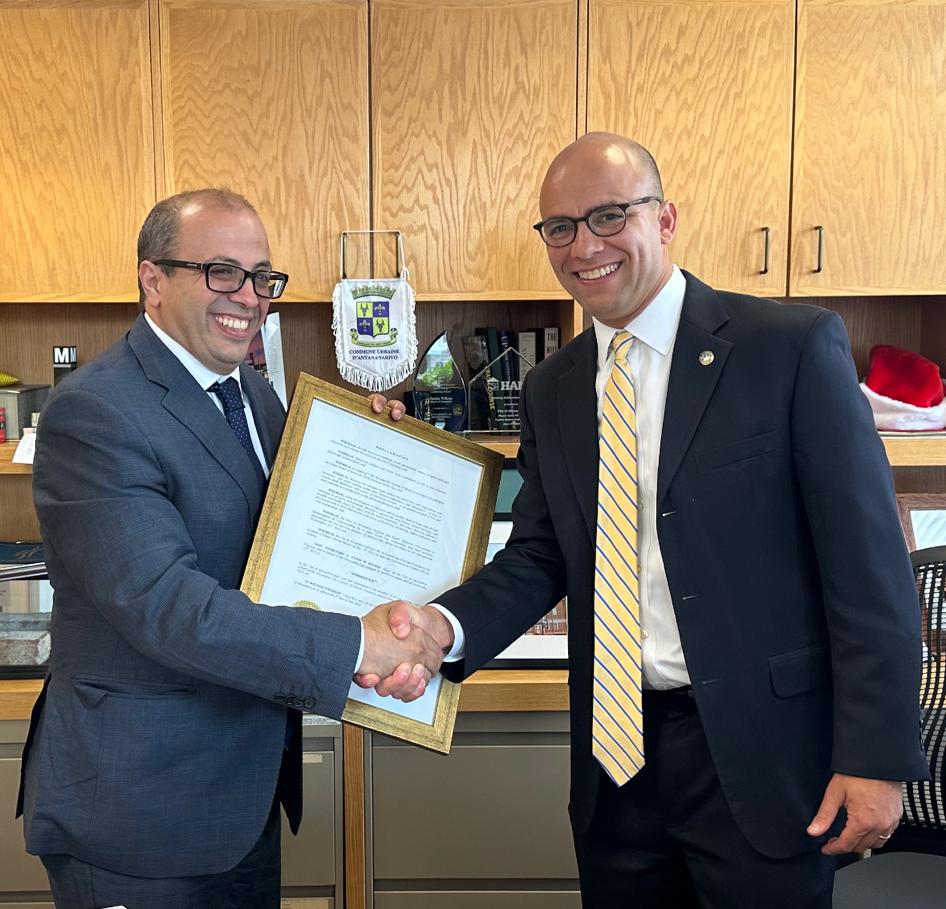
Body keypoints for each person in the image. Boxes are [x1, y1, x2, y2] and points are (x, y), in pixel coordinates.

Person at [360, 133, 930, 907]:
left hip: (765, 759)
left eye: (606, 216)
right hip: (617, 764)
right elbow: (539, 555)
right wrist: (438, 628)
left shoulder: (786, 349)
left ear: (664, 220)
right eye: (560, 227)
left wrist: (876, 756)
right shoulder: (553, 388)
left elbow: (870, 569)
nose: (583, 246)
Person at [17, 188, 444, 909]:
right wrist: (356, 645)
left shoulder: (253, 393)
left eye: (261, 277)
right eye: (221, 271)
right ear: (152, 279)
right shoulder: (95, 411)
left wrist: (370, 446)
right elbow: (169, 609)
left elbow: (294, 532)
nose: (248, 297)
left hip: (241, 803)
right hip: (138, 817)